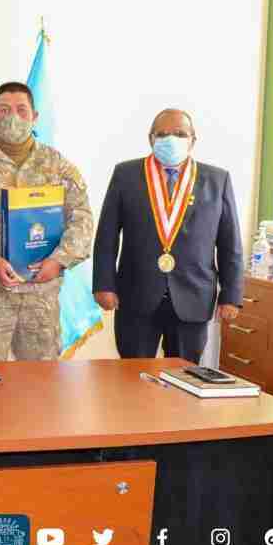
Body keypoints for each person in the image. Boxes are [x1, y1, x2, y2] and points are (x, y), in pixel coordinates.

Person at [0, 82, 93, 361]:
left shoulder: (57, 165)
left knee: (41, 380)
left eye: (22, 110)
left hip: (41, 294)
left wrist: (58, 260)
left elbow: (81, 218)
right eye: (4, 110)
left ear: (35, 116)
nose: (13, 117)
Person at [93, 109, 243, 362]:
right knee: (132, 376)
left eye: (180, 134)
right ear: (150, 139)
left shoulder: (217, 180)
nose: (170, 139)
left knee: (184, 377)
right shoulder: (126, 174)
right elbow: (107, 235)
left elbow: (230, 244)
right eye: (162, 134)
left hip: (193, 298)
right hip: (136, 296)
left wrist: (232, 296)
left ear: (193, 140)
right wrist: (103, 285)